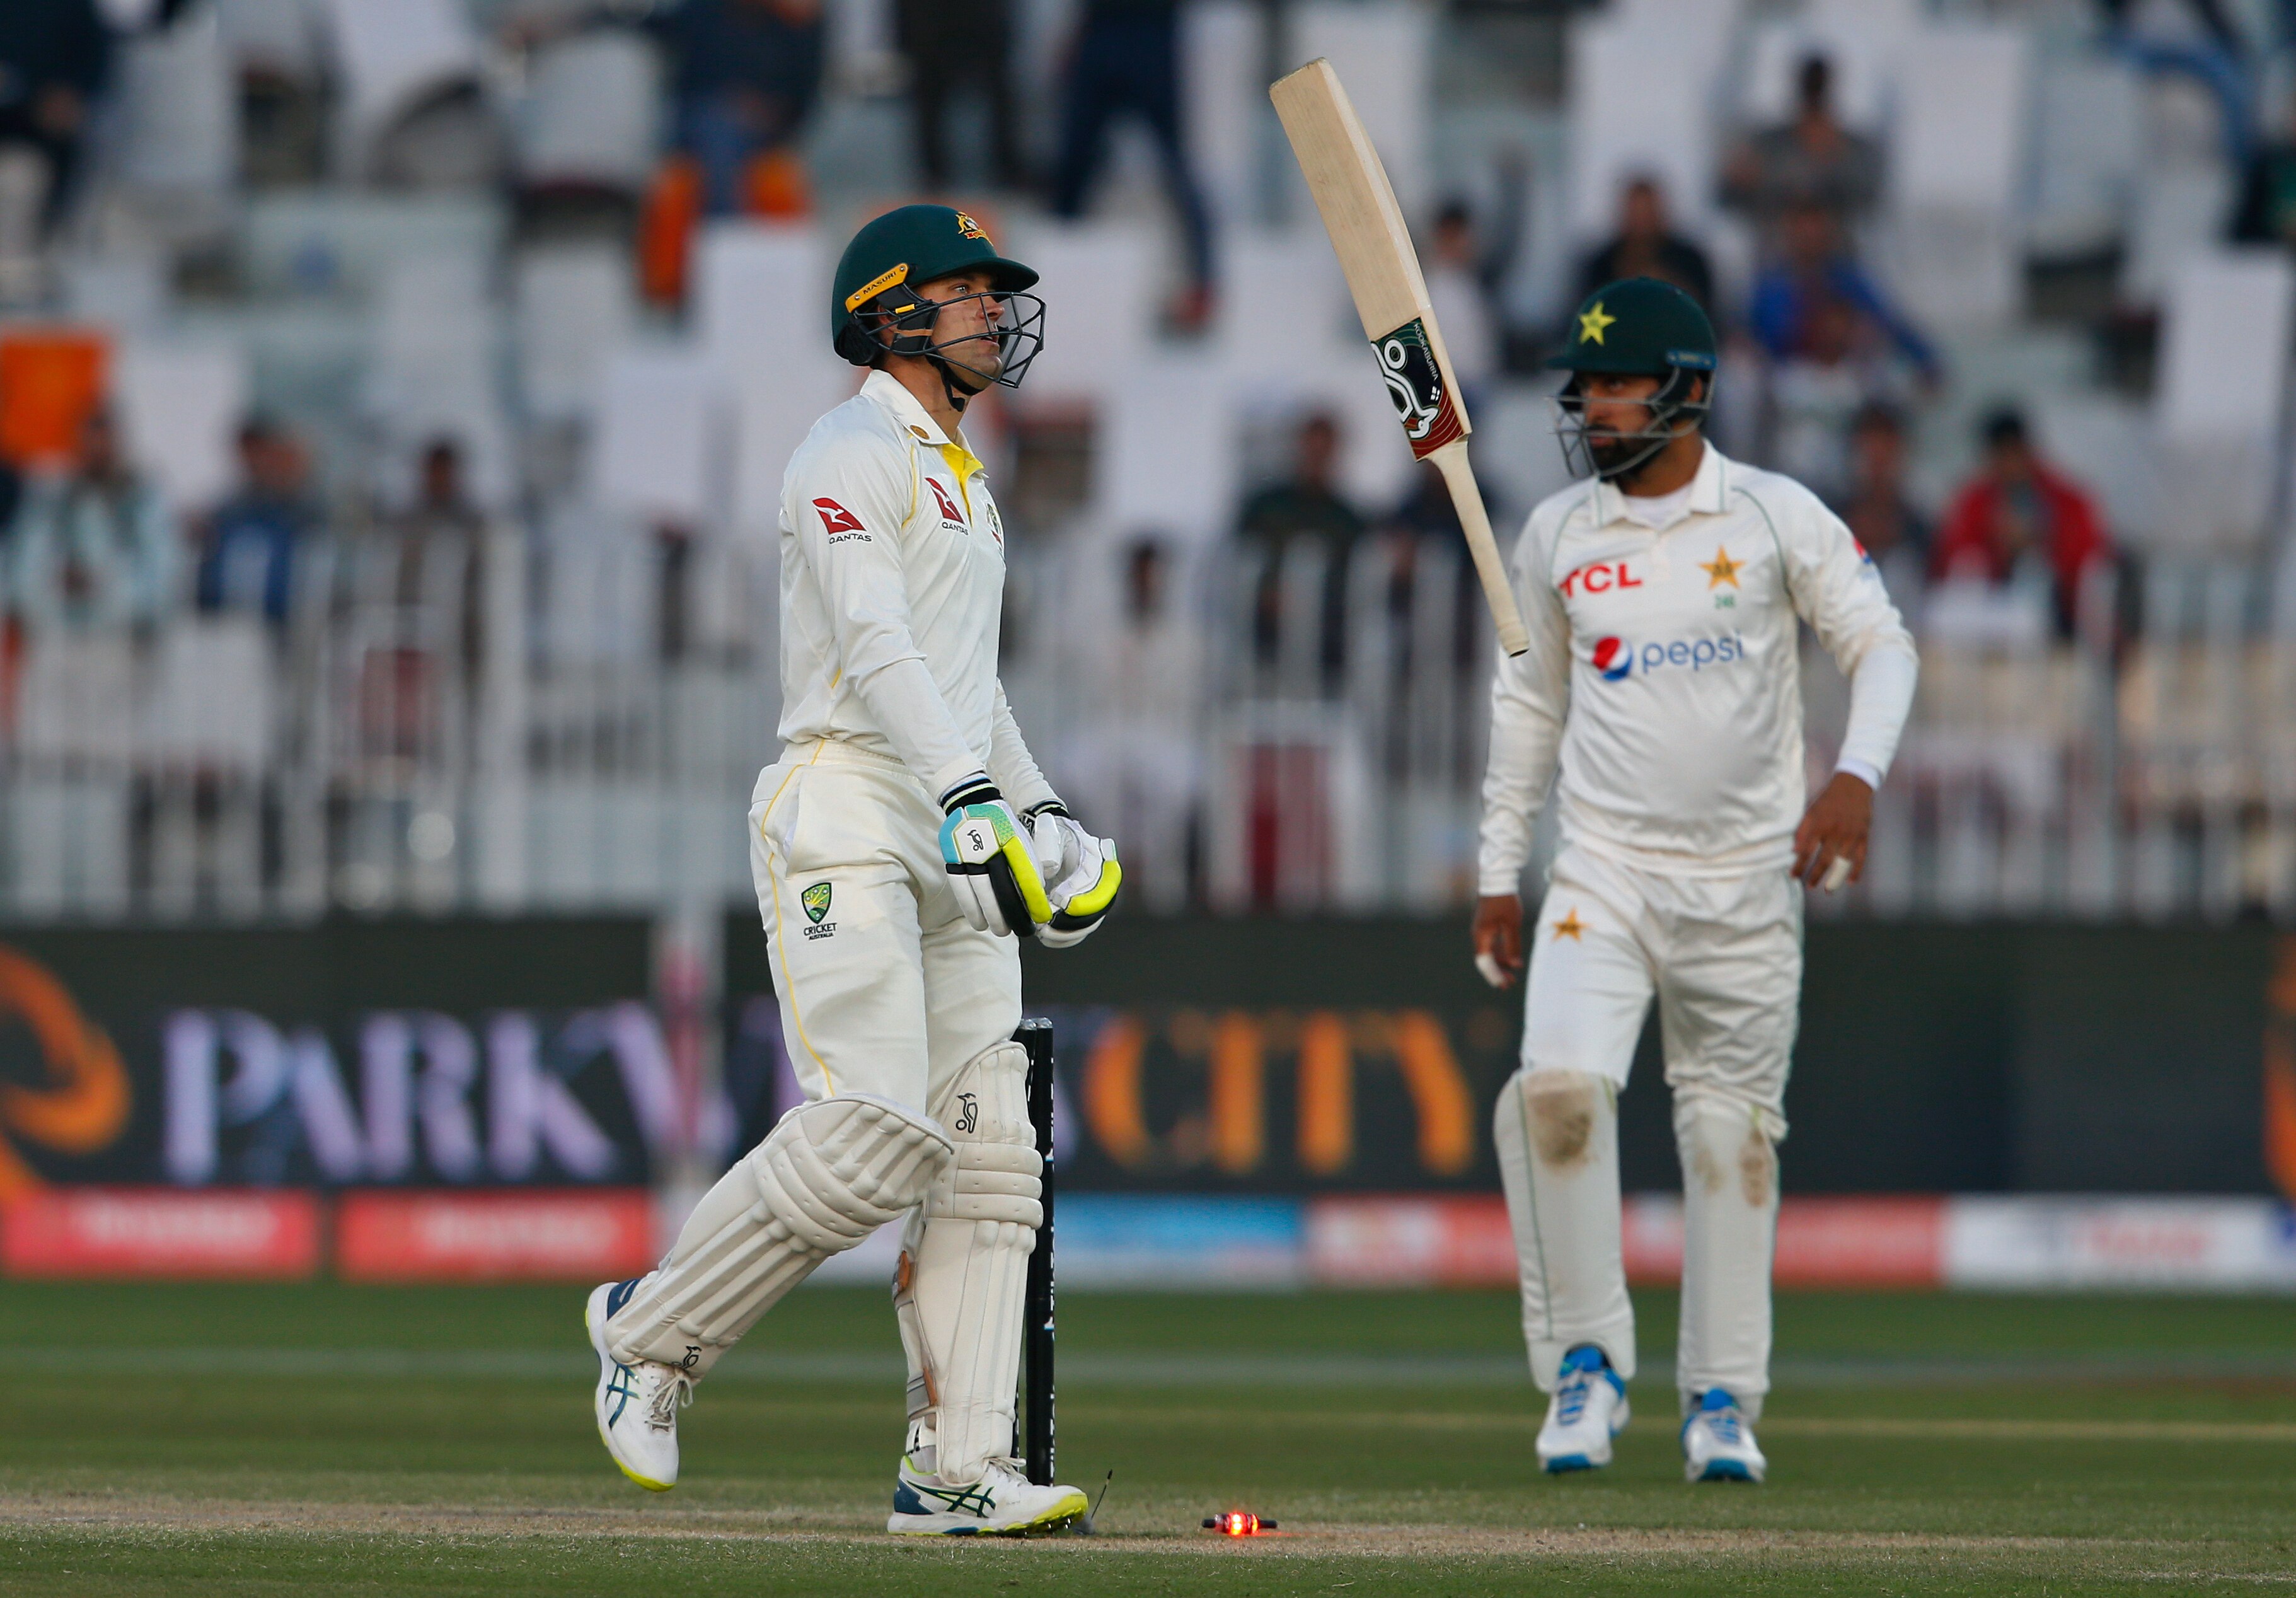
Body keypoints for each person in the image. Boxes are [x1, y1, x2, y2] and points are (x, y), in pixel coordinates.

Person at [584, 204, 1116, 1535]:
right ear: (890, 315)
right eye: (966, 293)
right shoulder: (844, 449)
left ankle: (956, 1466)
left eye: (998, 294)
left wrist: (1041, 810)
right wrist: (971, 802)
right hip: (849, 799)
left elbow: (964, 682)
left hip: (952, 806)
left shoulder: (963, 481)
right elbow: (873, 648)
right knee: (878, 1130)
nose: (994, 312)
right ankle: (649, 1337)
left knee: (991, 1156)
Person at [1473, 278, 1918, 1484]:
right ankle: (1586, 1365)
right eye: (1589, 387)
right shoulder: (1558, 531)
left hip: (1744, 879)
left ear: (1692, 392)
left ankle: (1720, 1398)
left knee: (1731, 1142)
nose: (1599, 408)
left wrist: (1858, 778)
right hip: (1602, 870)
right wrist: (1497, 867)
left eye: (1623, 385)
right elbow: (1527, 706)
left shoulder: (1773, 517)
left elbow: (1881, 643)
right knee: (1555, 1095)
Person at [1049, 0, 1214, 330]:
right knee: (1074, 164)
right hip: (1110, 28)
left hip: (1149, 30)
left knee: (1175, 166)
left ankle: (1201, 285)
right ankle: (1052, 281)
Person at [1930, 407, 2111, 638]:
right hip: (1989, 616)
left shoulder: (2066, 502)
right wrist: (1998, 546)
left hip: (2060, 616)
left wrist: (2043, 543)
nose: (2010, 466)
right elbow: (1953, 565)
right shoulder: (1974, 503)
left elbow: (2089, 565)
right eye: (2002, 457)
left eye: (2014, 455)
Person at [6, 407, 176, 634]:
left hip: (124, 629)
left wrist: (108, 583)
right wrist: (57, 578)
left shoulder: (141, 494)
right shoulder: (57, 494)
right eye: (89, 444)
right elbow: (30, 556)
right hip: (61, 629)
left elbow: (161, 563)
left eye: (103, 444)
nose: (96, 452)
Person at [649, 0, 824, 217]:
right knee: (718, 134)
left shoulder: (787, 26)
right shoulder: (701, 14)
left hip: (763, 130)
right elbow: (654, 27)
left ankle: (724, 234)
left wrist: (767, 112)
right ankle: (724, 234)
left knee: (723, 139)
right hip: (699, 120)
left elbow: (800, 93)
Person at [1721, 53, 1883, 248]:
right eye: (1811, 87)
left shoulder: (1854, 150)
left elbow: (1872, 204)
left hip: (1838, 260)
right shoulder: (1768, 147)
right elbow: (1728, 198)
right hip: (1777, 260)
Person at [0, 0, 111, 233]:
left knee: (68, 147)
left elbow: (94, 53)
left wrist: (71, 91)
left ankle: (52, 233)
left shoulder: (69, 6)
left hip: (40, 105)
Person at [195, 417, 316, 626]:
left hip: (285, 626)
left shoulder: (308, 517)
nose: (256, 463)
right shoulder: (229, 516)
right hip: (227, 626)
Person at [897, 0, 1025, 192]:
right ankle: (935, 171)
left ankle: (1004, 165)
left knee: (997, 97)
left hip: (971, 22)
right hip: (934, 24)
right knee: (932, 100)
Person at [1835, 402, 1931, 603]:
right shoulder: (1831, 520)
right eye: (1870, 450)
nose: (1878, 460)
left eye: (1887, 449)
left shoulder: (1920, 529)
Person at [1578, 176, 1714, 315]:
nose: (1642, 221)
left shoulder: (1690, 261)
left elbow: (1706, 313)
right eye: (1636, 212)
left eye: (1647, 211)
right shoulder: (1600, 265)